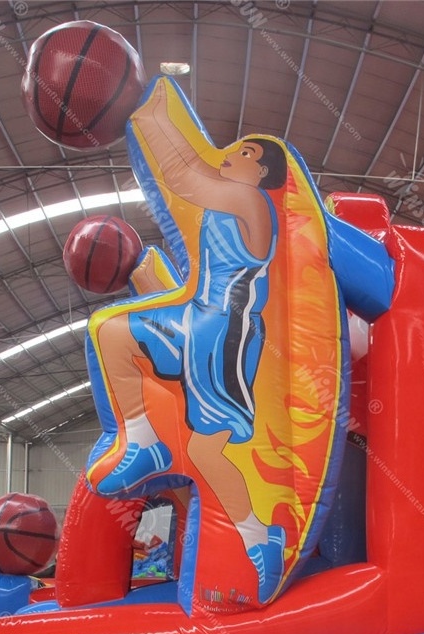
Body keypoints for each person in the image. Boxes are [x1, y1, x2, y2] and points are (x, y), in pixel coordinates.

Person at [85, 79, 289, 603]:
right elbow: (189, 177)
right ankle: (145, 440)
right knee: (112, 332)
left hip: (226, 330)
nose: (230, 156)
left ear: (261, 172)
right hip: (196, 315)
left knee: (207, 448)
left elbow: (181, 176)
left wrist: (154, 114)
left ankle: (260, 539)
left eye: (243, 152)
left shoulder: (250, 202)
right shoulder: (233, 198)